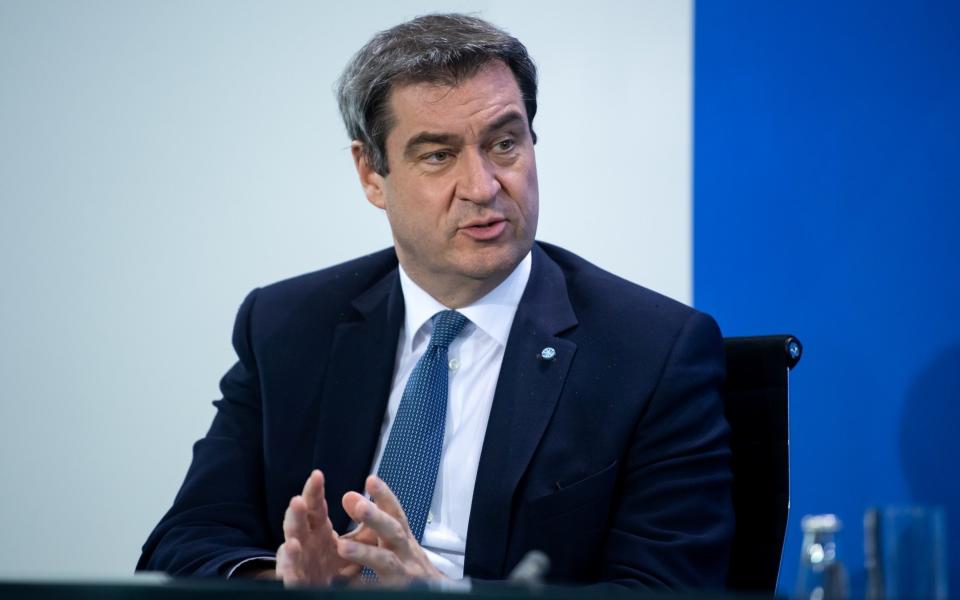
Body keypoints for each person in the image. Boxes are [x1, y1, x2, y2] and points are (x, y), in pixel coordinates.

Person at [137, 13, 733, 589]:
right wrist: (291, 582)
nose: (482, 187)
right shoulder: (287, 326)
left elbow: (668, 588)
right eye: (438, 155)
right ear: (371, 175)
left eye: (504, 144)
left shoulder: (651, 353)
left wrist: (442, 596)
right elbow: (185, 539)